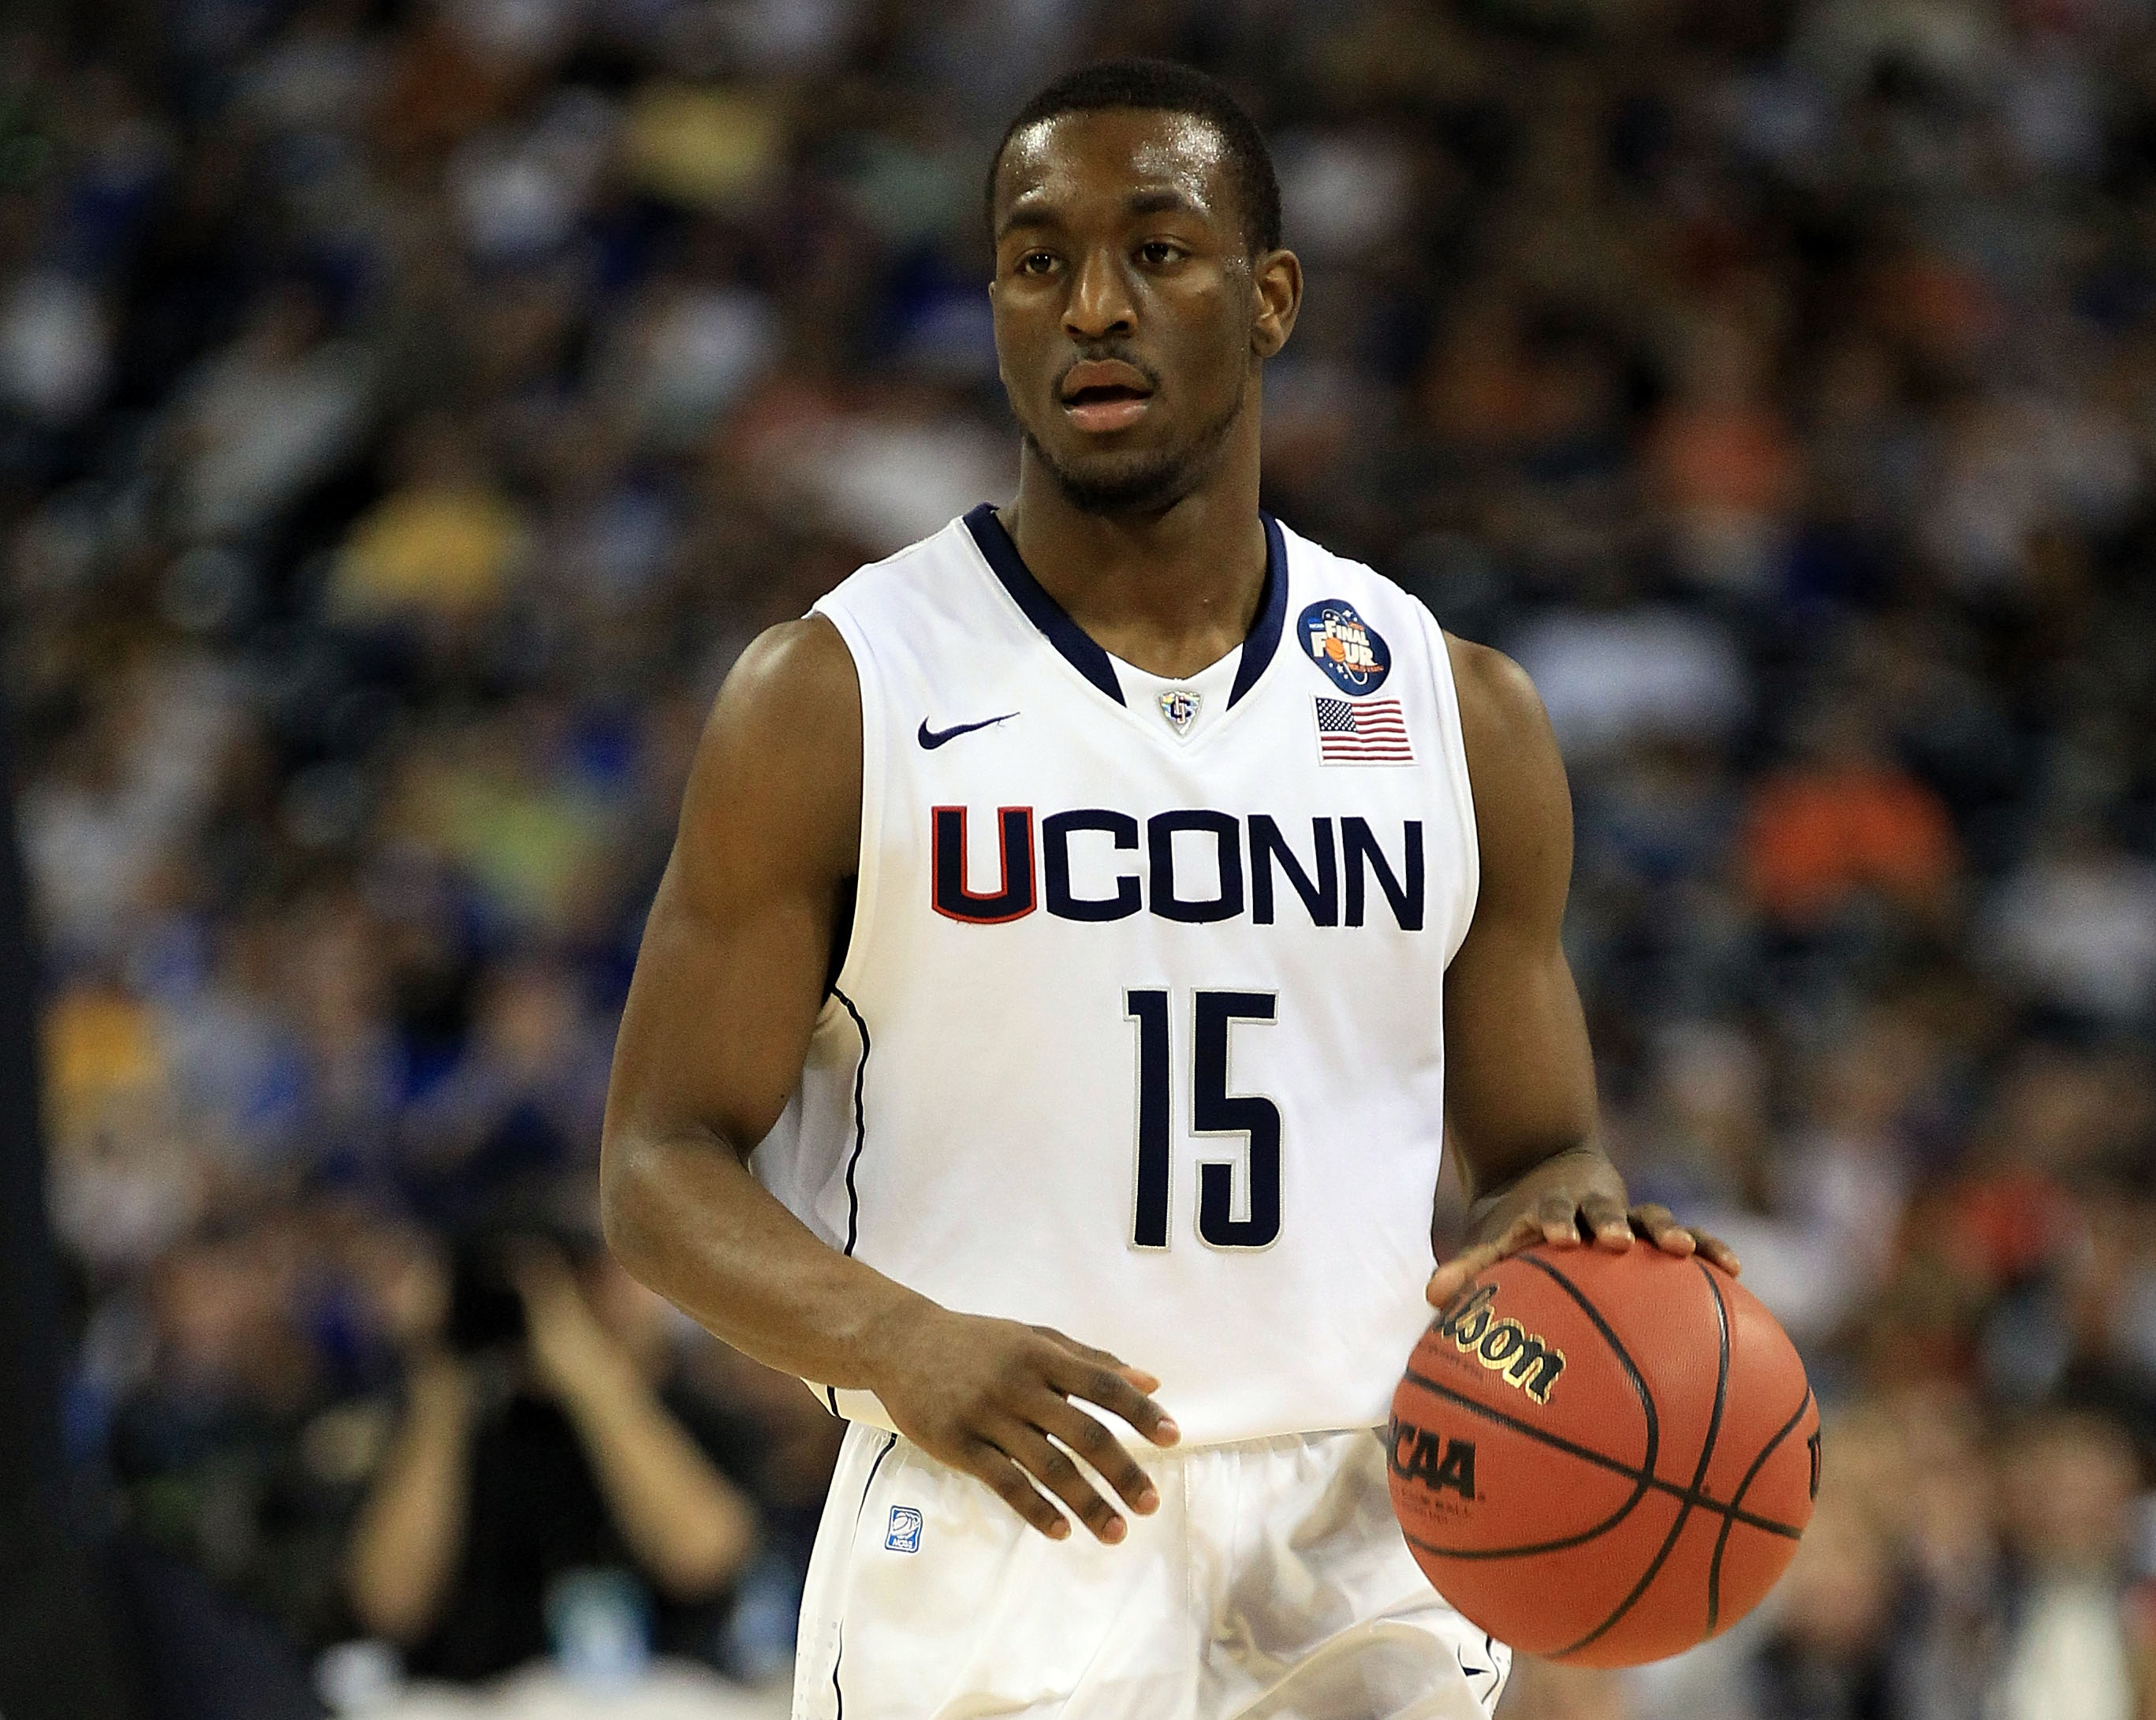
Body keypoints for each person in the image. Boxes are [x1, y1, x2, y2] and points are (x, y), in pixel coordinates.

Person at [599, 57, 1735, 1720]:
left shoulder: (1451, 710)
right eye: (1037, 259)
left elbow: (1540, 1148)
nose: (1092, 307)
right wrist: (900, 1340)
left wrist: (1557, 1218)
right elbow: (652, 1165)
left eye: (1158, 250)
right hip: (999, 1514)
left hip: (1367, 1519)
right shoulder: (839, 692)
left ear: (1269, 298)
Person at [345, 1229, 759, 1681]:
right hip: (480, 1696)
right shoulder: (442, 1424)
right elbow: (389, 1606)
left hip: (659, 1690)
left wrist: (590, 1373)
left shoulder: (688, 1412)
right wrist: (440, 1380)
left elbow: (704, 1561)